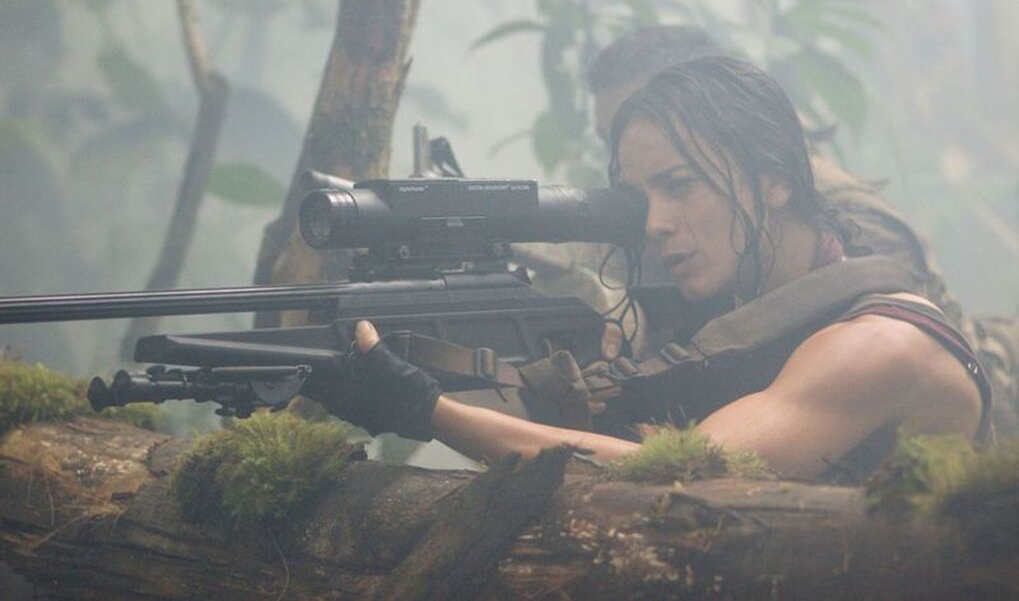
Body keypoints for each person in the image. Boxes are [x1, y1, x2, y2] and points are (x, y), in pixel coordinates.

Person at [312, 57, 991, 480]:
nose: (654, 222)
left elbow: (680, 477)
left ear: (776, 180)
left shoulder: (879, 343)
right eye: (640, 199)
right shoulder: (734, 321)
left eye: (680, 185)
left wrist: (427, 411)